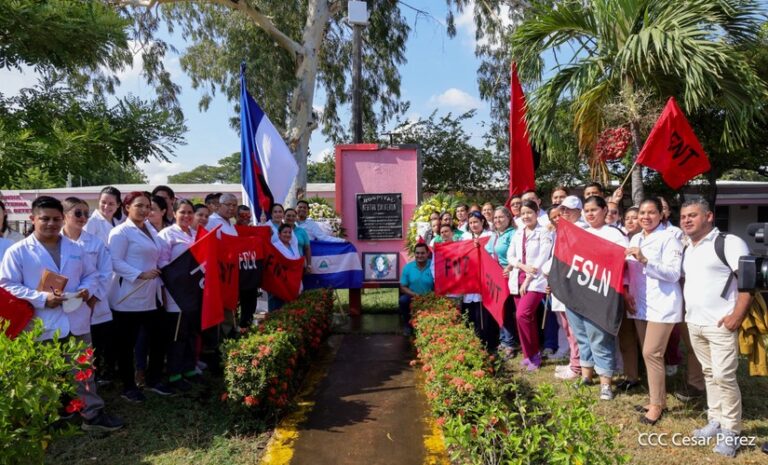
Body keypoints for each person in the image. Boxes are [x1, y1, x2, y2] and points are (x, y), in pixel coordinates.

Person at [0, 196, 123, 431]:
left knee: (83, 370)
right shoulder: (18, 251)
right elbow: (7, 285)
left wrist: (85, 290)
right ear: (32, 219)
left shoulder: (75, 248)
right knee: (44, 373)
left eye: (56, 219)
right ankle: (49, 419)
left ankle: (92, 415)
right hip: (42, 321)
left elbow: (91, 274)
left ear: (62, 219)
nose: (51, 224)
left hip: (75, 316)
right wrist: (41, 298)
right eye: (44, 219)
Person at [679, 199, 752, 457]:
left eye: (692, 215)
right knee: (709, 374)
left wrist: (737, 315)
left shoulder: (729, 243)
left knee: (724, 377)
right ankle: (716, 420)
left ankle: (732, 432)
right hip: (695, 322)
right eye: (683, 216)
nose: (686, 220)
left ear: (709, 216)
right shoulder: (688, 247)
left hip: (720, 324)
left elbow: (747, 281)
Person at [108, 192, 173, 402]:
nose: (145, 210)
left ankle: (153, 380)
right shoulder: (120, 232)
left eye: (148, 206)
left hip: (152, 295)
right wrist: (139, 274)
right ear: (127, 207)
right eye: (139, 206)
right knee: (127, 345)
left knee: (158, 339)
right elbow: (115, 261)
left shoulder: (150, 229)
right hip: (128, 296)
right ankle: (128, 386)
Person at [625, 198, 684, 424]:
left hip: (663, 304)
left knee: (652, 353)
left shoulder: (670, 239)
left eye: (651, 212)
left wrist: (645, 260)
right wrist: (628, 293)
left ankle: (657, 406)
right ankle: (655, 399)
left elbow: (673, 274)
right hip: (640, 304)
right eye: (642, 212)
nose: (645, 217)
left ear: (661, 215)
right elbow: (630, 272)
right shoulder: (635, 238)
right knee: (648, 354)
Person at [570, 196, 628, 400]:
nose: (590, 214)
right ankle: (586, 376)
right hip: (577, 293)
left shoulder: (614, 234)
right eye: (586, 211)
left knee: (600, 337)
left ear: (604, 210)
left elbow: (623, 261)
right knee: (582, 335)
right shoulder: (579, 233)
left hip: (601, 294)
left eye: (594, 210)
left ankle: (605, 383)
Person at [61, 198, 115, 387]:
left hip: (93, 304)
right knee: (62, 351)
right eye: (78, 213)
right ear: (64, 215)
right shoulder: (55, 242)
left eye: (86, 213)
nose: (83, 217)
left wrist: (94, 298)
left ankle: (91, 383)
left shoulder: (95, 243)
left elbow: (105, 273)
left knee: (90, 348)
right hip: (60, 305)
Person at [158, 200, 202, 392]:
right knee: (177, 334)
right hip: (175, 293)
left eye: (190, 212)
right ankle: (174, 374)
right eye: (182, 212)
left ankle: (189, 369)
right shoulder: (166, 234)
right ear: (174, 213)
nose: (186, 216)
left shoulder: (196, 234)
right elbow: (162, 263)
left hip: (194, 292)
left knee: (191, 332)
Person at [505, 201, 553, 370]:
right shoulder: (518, 232)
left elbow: (542, 258)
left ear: (537, 213)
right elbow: (510, 256)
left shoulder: (544, 232)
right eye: (523, 213)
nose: (526, 216)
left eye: (529, 212)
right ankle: (528, 355)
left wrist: (528, 278)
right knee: (526, 319)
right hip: (517, 278)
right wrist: (521, 266)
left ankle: (535, 355)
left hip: (535, 281)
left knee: (522, 315)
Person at [547, 197, 585, 381]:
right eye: (562, 210)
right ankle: (574, 361)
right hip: (560, 283)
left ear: (579, 211)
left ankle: (578, 366)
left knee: (574, 327)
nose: (564, 213)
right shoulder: (563, 230)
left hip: (573, 285)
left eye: (568, 210)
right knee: (566, 326)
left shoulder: (582, 230)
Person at [486, 206, 519, 358]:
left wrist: (510, 267)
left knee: (506, 309)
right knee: (499, 309)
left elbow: (517, 254)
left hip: (508, 275)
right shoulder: (495, 235)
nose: (497, 220)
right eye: (495, 218)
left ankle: (510, 344)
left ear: (508, 218)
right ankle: (504, 340)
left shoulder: (513, 234)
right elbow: (487, 251)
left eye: (501, 217)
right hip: (496, 277)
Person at [461, 211, 495, 350]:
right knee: (471, 314)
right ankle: (473, 343)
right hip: (469, 280)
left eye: (476, 222)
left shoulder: (490, 236)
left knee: (485, 315)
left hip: (485, 280)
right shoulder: (465, 237)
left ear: (482, 222)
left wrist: (480, 248)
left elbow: (493, 256)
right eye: (471, 223)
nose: (473, 225)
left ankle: (488, 343)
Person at [399, 243, 433, 336]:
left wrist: (430, 296)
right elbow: (403, 287)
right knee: (403, 300)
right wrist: (416, 295)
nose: (420, 255)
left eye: (422, 253)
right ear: (414, 254)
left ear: (427, 253)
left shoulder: (433, 266)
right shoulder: (408, 267)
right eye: (417, 253)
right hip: (413, 296)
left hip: (430, 297)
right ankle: (407, 325)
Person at [269, 224, 302, 311]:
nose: (287, 234)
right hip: (281, 282)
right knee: (278, 308)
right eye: (285, 232)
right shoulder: (275, 247)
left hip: (294, 282)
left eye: (289, 232)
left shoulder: (294, 246)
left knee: (292, 309)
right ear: (279, 234)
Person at [284, 208, 312, 274]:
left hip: (299, 265)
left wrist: (309, 265)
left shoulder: (302, 231)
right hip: (282, 265)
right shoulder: (278, 230)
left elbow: (307, 249)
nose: (291, 218)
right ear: (283, 216)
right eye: (288, 215)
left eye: (293, 216)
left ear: (296, 218)